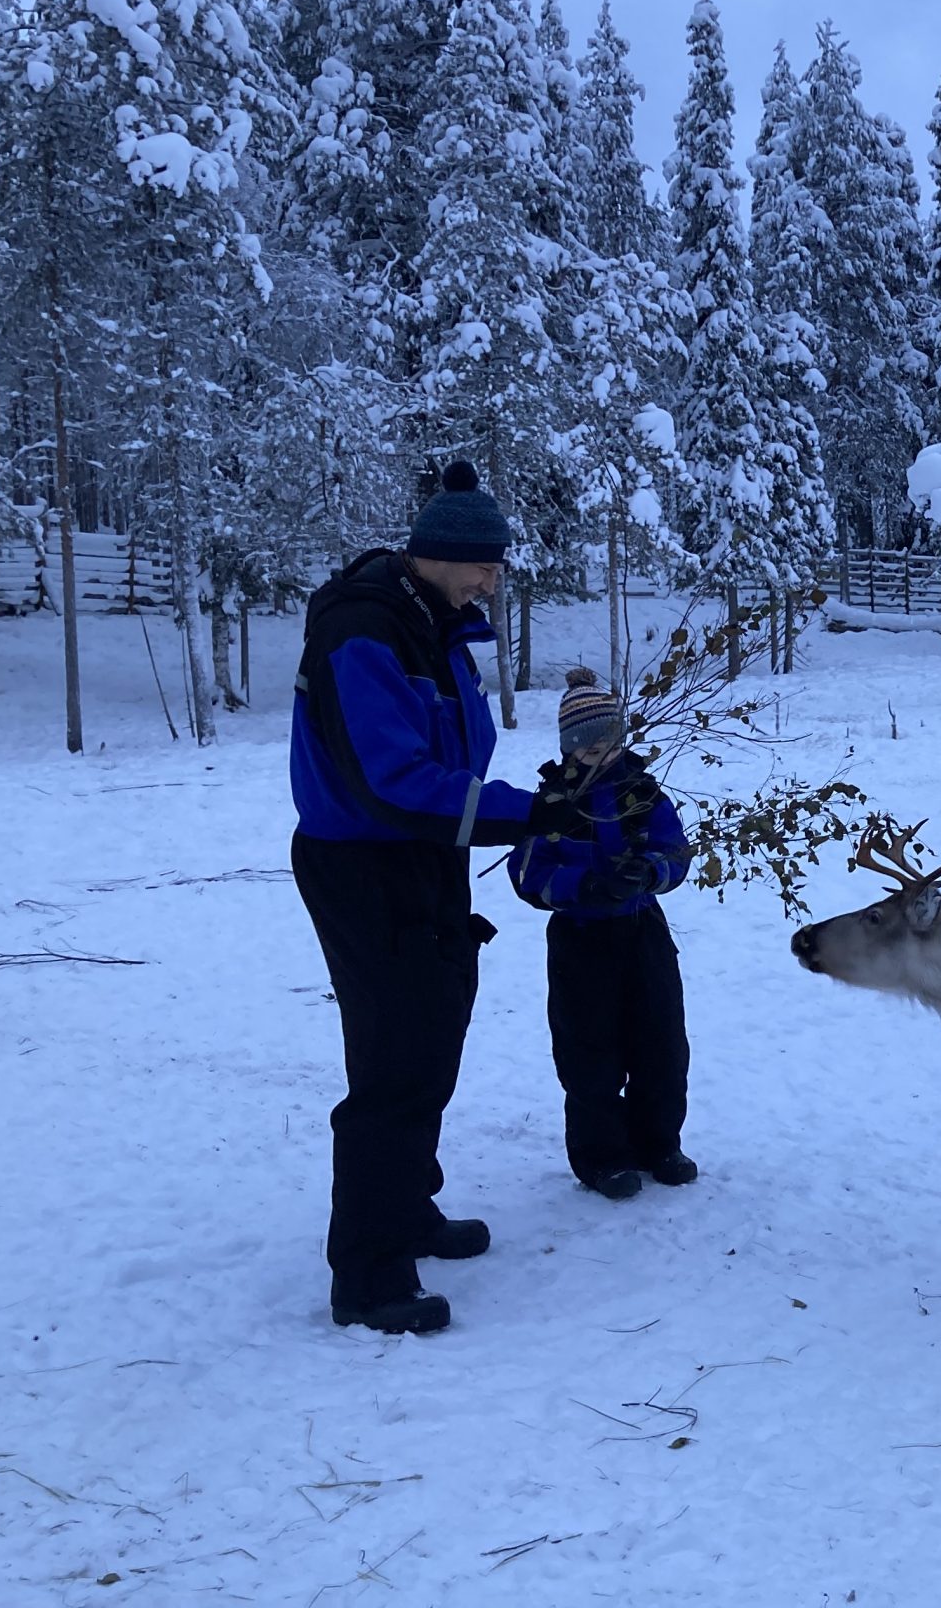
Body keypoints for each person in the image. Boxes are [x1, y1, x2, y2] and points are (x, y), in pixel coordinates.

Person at [289, 462, 564, 1336]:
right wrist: (527, 815)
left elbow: (450, 761)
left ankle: (407, 1208)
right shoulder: (364, 632)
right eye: (482, 563)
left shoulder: (433, 624)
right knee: (396, 1061)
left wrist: (533, 803)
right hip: (367, 864)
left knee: (434, 1035)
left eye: (497, 563)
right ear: (435, 556)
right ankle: (369, 1277)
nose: (493, 577)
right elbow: (392, 783)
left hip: (425, 856)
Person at [508, 670, 697, 1201]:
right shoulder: (553, 803)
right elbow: (527, 873)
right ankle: (601, 1157)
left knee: (661, 1043)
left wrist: (650, 872)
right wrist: (585, 884)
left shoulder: (644, 793)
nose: (600, 749)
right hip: (581, 939)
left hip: (643, 933)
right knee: (589, 1051)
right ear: (568, 747)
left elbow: (676, 853)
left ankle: (658, 1143)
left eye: (608, 738)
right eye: (587, 742)